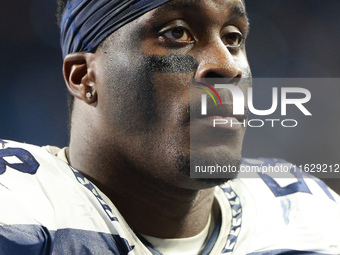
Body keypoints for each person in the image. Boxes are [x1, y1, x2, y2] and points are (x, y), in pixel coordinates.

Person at [0, 0, 339, 254]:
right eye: (177, 33)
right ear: (84, 77)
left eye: (233, 38)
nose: (226, 67)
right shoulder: (18, 205)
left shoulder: (306, 212)